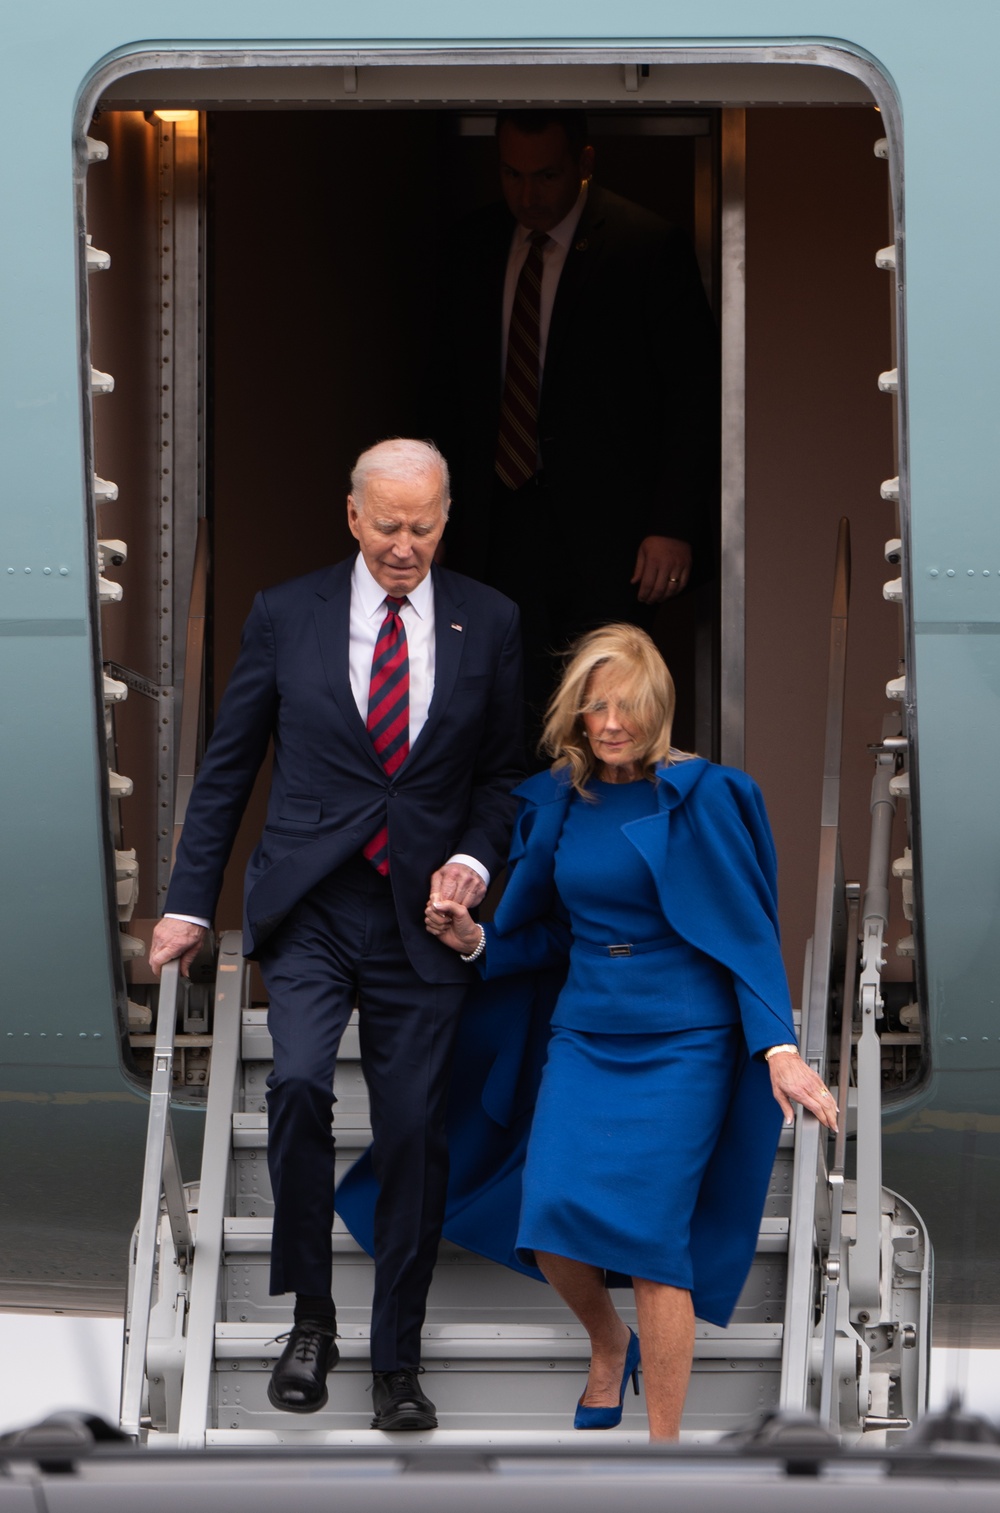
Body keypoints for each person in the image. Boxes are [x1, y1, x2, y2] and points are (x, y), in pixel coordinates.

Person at [148, 438, 523, 1429]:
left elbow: (499, 778)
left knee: (410, 1129)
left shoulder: (488, 621)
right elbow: (228, 767)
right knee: (301, 1083)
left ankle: (397, 1356)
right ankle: (311, 1318)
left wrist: (474, 867)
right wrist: (189, 902)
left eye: (425, 526)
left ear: (446, 518)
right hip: (312, 903)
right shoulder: (285, 613)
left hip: (424, 916)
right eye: (389, 525)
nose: (406, 546)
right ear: (352, 515)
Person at [423, 624, 837, 1441]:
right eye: (595, 706)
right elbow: (544, 934)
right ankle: (610, 1341)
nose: (611, 723)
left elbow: (746, 929)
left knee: (653, 1247)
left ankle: (665, 1454)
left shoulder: (709, 794)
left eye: (629, 707)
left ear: (660, 709)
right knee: (547, 1217)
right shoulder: (556, 800)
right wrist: (477, 941)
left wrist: (780, 1048)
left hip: (686, 1040)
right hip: (586, 1034)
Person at [438, 110, 718, 739]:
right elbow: (447, 394)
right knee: (498, 700)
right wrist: (436, 521)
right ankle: (512, 835)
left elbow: (691, 395)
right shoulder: (471, 246)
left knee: (606, 703)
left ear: (584, 164)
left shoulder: (646, 245)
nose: (528, 194)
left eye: (546, 175)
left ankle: (597, 831)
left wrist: (671, 525)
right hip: (495, 520)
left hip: (609, 533)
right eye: (512, 174)